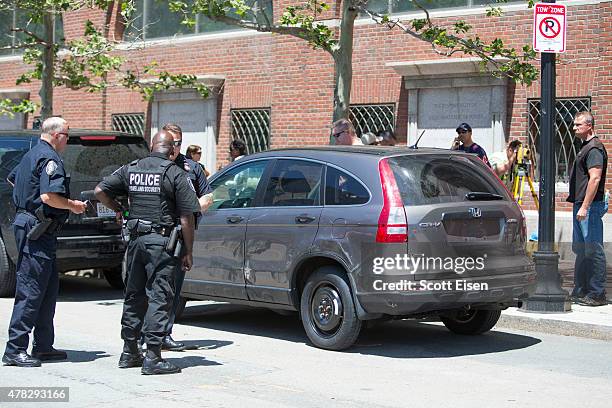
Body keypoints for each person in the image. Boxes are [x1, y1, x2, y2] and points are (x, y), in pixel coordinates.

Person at [95, 130, 200, 375]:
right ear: (172, 149)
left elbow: (100, 191)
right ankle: (153, 356)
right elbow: (187, 217)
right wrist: (189, 250)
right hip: (162, 243)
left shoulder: (131, 168)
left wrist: (119, 208)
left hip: (136, 242)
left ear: (152, 146)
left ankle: (129, 351)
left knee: (134, 295)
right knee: (160, 295)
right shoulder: (174, 173)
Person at [3, 117, 87, 367]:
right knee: (30, 289)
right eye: (67, 136)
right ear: (57, 135)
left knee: (48, 288)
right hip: (37, 229)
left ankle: (43, 345)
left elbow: (12, 179)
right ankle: (14, 349)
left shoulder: (31, 153)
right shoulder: (49, 159)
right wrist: (73, 206)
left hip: (36, 227)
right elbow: (49, 196)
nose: (68, 140)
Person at [162, 124, 212, 351]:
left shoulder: (191, 167)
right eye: (171, 142)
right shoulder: (152, 164)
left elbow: (208, 195)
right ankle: (146, 334)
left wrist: (192, 210)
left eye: (179, 142)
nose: (175, 147)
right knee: (152, 287)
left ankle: (165, 333)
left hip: (181, 235)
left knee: (173, 287)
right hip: (155, 233)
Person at [566, 111, 608, 306]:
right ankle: (581, 290)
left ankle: (597, 293)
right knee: (581, 249)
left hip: (588, 207)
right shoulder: (585, 147)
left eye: (578, 125)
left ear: (589, 126)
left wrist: (585, 206)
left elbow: (595, 178)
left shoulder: (594, 149)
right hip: (581, 205)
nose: (574, 128)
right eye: (574, 125)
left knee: (593, 249)